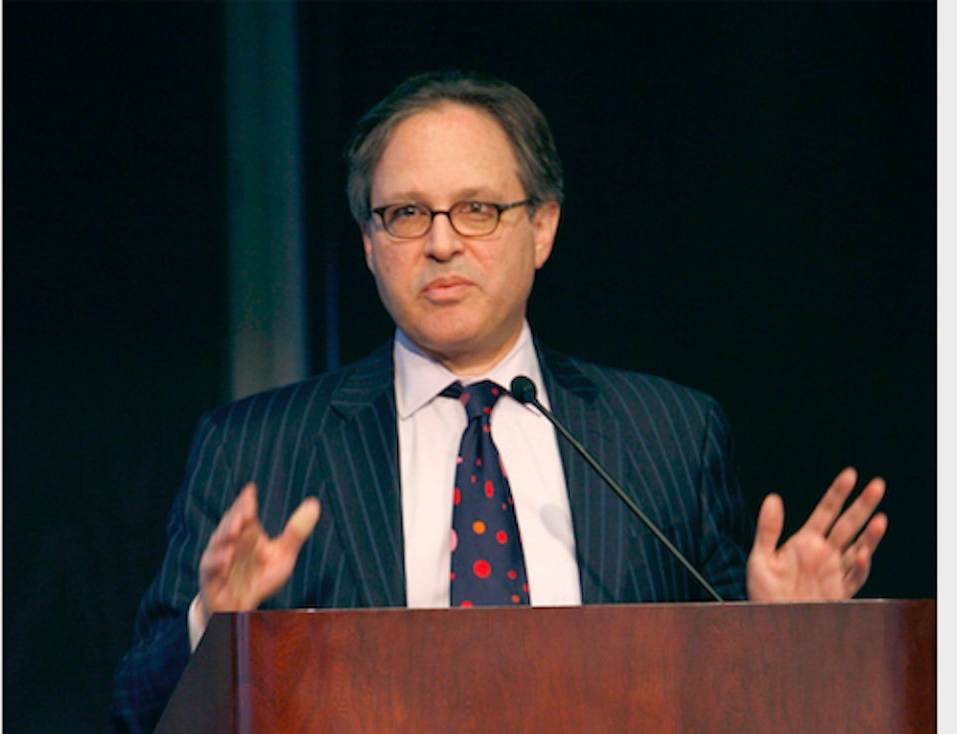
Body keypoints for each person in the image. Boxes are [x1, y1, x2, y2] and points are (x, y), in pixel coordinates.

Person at [111, 71, 887, 733]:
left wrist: (789, 636)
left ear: (541, 227)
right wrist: (213, 626)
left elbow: (726, 701)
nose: (441, 242)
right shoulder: (257, 448)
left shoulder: (668, 435)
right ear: (369, 244)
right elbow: (134, 709)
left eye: (476, 209)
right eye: (407, 213)